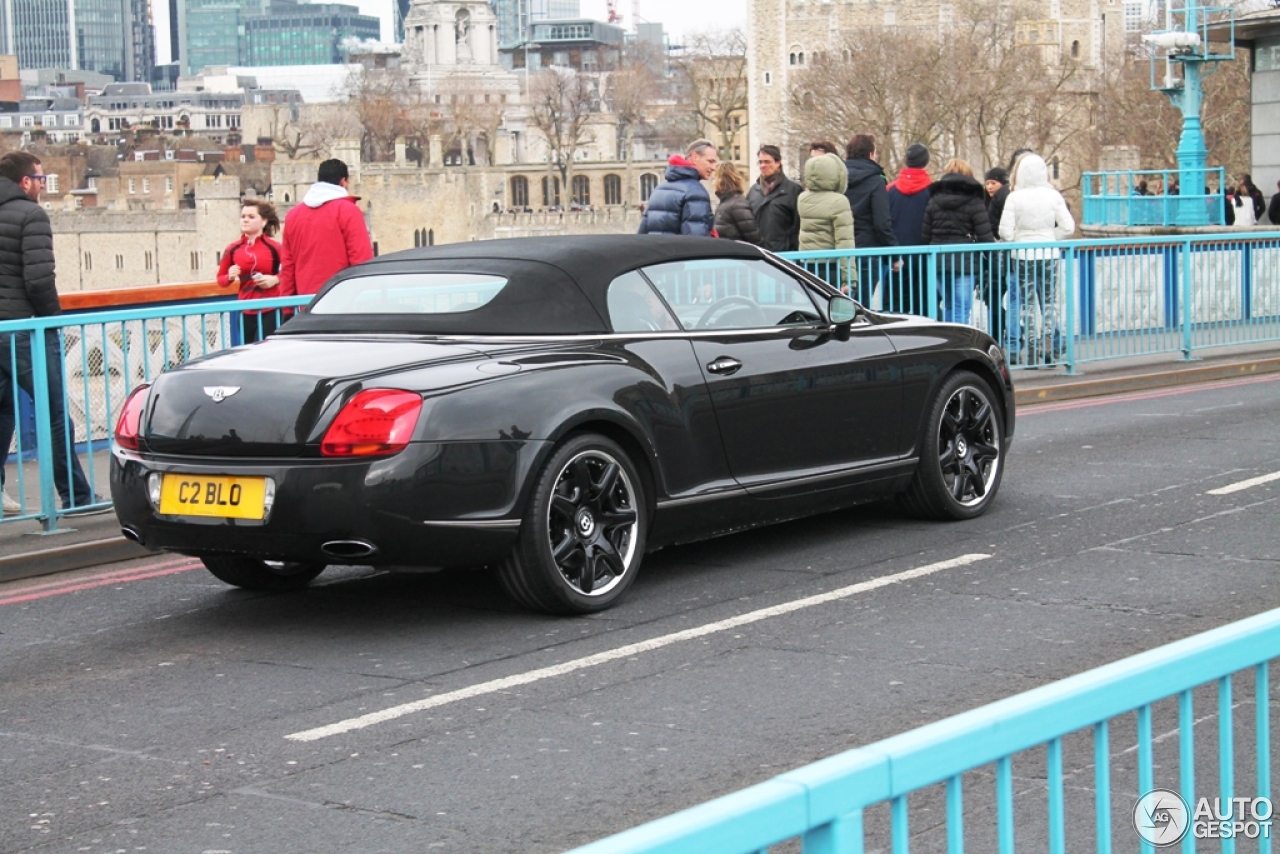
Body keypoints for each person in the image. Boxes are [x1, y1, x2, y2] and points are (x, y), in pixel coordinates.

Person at [0, 151, 101, 516]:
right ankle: (74, 496)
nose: (43, 185)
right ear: (25, 182)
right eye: (41, 179)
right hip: (26, 329)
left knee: (2, 411)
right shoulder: (31, 214)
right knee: (55, 412)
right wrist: (51, 321)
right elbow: (39, 279)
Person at [999, 152, 1075, 366]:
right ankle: (1048, 344)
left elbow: (1005, 232)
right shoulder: (1053, 196)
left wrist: (1020, 239)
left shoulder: (1014, 197)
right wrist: (1051, 237)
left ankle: (1032, 349)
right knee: (1049, 301)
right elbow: (1068, 227)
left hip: (1023, 255)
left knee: (1028, 303)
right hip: (1049, 253)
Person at [278, 159, 373, 296]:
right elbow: (361, 259)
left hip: (305, 303)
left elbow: (288, 266)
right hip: (342, 299)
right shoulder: (348, 211)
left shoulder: (292, 215)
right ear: (343, 181)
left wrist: (286, 308)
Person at [920, 159, 994, 325]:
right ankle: (960, 344)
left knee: (948, 305)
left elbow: (925, 236)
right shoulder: (975, 201)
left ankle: (950, 342)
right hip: (964, 261)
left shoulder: (933, 200)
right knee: (962, 306)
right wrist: (993, 260)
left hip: (938, 260)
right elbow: (985, 236)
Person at [217, 200, 287, 343]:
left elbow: (290, 271)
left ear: (264, 221)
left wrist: (275, 279)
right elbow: (221, 280)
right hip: (245, 309)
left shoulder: (275, 247)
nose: (245, 220)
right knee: (249, 349)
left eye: (251, 217)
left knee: (266, 348)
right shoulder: (232, 248)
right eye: (243, 216)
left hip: (270, 308)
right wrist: (230, 276)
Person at [843, 134, 897, 307]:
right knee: (861, 305)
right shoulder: (876, 180)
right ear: (871, 154)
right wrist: (894, 254)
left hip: (839, 250)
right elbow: (882, 222)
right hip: (867, 250)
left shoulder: (838, 178)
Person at [797, 152, 856, 293]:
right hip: (830, 267)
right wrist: (849, 279)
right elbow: (844, 242)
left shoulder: (802, 199)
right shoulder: (839, 201)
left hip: (807, 264)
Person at [887, 142, 933, 314]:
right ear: (926, 162)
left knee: (897, 308)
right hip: (925, 259)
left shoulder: (889, 190)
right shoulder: (932, 190)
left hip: (896, 259)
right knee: (925, 308)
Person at [638, 139, 718, 237]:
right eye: (710, 161)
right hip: (680, 252)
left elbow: (642, 235)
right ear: (695, 157)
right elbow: (697, 241)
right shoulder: (695, 192)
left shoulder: (659, 189)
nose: (714, 167)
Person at [747, 144, 803, 252]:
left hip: (785, 256)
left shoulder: (793, 190)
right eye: (760, 162)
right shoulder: (754, 191)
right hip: (759, 255)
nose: (763, 165)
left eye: (767, 162)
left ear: (778, 163)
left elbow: (798, 226)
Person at [983, 167, 1012, 346]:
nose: (989, 187)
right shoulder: (988, 203)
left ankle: (1002, 333)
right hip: (994, 258)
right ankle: (1002, 332)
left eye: (993, 183)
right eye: (987, 183)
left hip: (999, 256)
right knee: (992, 297)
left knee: (995, 296)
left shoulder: (1004, 199)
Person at [712, 161, 762, 245]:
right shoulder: (725, 203)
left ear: (721, 179)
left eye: (714, 178)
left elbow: (754, 239)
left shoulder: (737, 205)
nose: (713, 182)